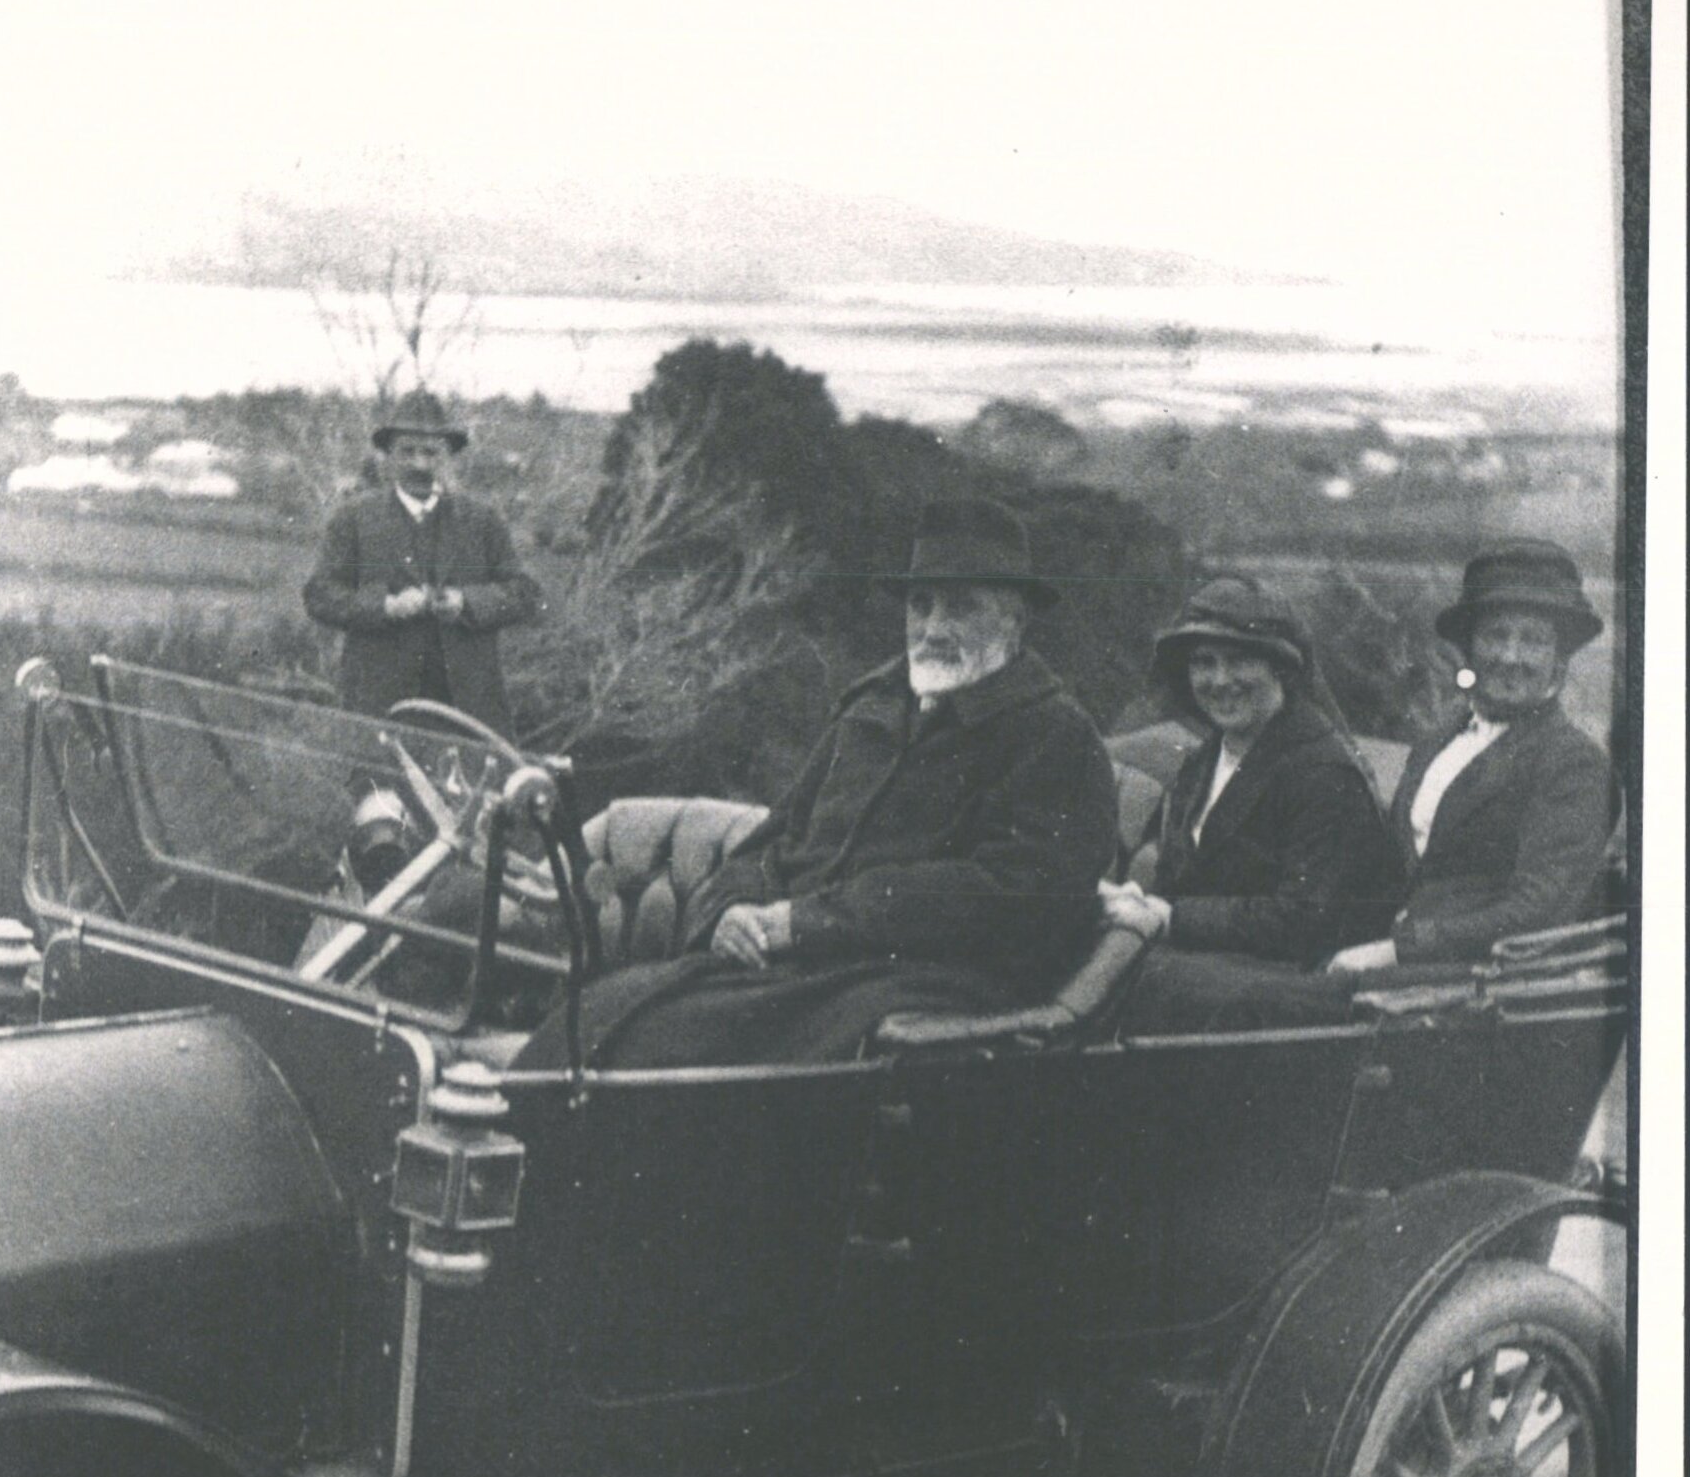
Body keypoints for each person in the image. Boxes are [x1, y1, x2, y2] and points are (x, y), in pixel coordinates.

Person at [525, 497, 1119, 1070]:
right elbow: (774, 841)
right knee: (596, 1014)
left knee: (663, 1051)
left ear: (1014, 619)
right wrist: (730, 912)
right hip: (798, 966)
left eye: (959, 607)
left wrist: (802, 924)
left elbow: (1016, 896)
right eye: (921, 603)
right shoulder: (873, 708)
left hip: (921, 986)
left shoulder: (1055, 737)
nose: (933, 627)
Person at [1327, 541, 1615, 979]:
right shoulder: (1438, 742)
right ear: (1469, 648)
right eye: (1496, 635)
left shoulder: (1573, 762)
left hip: (1482, 981)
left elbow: (1536, 911)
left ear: (1558, 661)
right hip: (1395, 961)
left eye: (1533, 641)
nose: (1511, 657)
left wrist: (1396, 951)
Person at [1098, 575, 1403, 967]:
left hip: (1293, 984)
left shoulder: (1322, 773)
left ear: (1281, 669)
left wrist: (1171, 917)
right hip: (1211, 965)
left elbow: (1305, 922)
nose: (1221, 680)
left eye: (1240, 661)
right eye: (1204, 663)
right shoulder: (1201, 763)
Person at [303, 391, 543, 738]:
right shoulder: (353, 519)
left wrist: (467, 602)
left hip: (468, 710)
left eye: (431, 452)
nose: (419, 464)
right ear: (387, 456)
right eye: (407, 452)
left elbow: (525, 593)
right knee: (381, 791)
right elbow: (319, 595)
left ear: (448, 456)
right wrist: (385, 606)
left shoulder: (482, 520)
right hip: (379, 706)